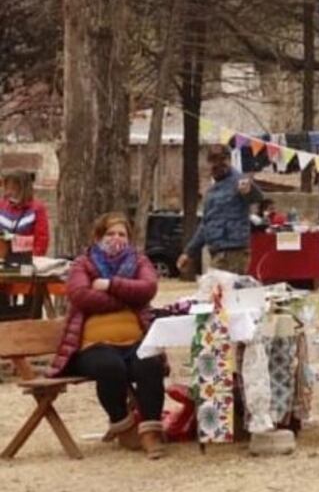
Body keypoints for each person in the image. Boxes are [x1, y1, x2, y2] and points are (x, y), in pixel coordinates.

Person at [48, 213, 166, 459]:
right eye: (110, 234)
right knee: (110, 366)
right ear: (98, 237)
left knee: (151, 364)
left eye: (121, 234)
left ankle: (151, 432)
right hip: (92, 345)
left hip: (134, 341)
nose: (116, 239)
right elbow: (80, 295)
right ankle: (122, 424)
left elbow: (148, 288)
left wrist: (110, 285)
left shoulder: (139, 261)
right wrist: (125, 296)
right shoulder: (83, 263)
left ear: (130, 238)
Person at [178, 144, 263, 276]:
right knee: (220, 293)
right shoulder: (212, 191)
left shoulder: (239, 180)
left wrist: (249, 190)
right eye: (213, 160)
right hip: (217, 252)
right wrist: (189, 252)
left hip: (233, 252)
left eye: (222, 160)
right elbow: (206, 224)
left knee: (217, 291)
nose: (217, 164)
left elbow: (257, 197)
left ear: (229, 160)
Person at [0, 170, 50, 256]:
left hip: (25, 258)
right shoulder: (1, 205)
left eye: (13, 188)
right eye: (7, 188)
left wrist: (34, 258)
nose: (9, 192)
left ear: (23, 189)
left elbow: (41, 239)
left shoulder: (37, 209)